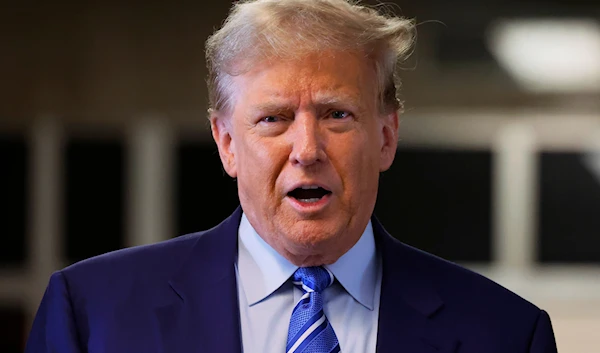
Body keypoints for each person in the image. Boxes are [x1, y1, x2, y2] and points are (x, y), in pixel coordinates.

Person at [25, 0, 558, 352]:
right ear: (227, 143)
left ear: (387, 137)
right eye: (273, 119)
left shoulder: (507, 334)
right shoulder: (92, 316)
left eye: (336, 114)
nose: (307, 150)